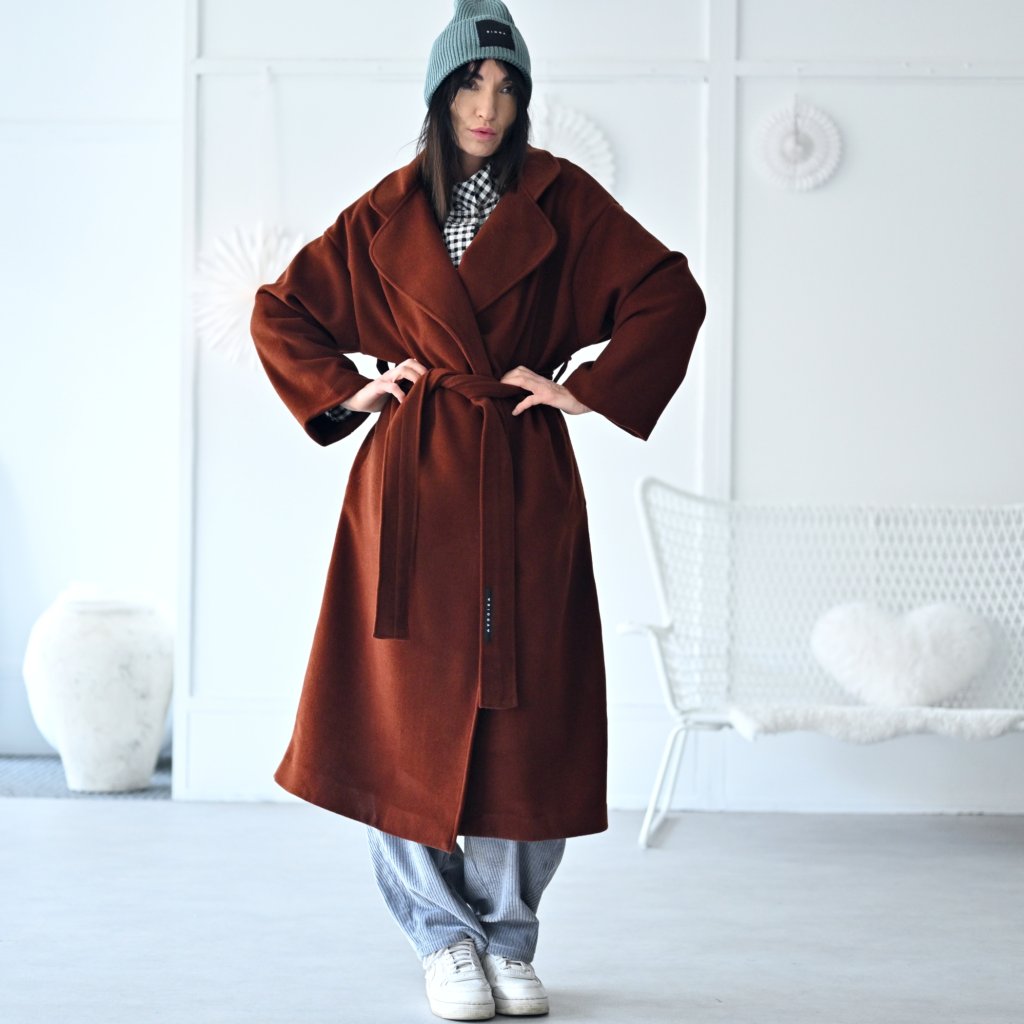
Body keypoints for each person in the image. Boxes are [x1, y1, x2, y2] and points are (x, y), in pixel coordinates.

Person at [250, 1, 707, 1019]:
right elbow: (280, 308)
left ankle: (508, 936)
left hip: (520, 475)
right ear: (438, 92)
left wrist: (584, 390)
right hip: (410, 485)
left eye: (506, 87)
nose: (487, 106)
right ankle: (443, 938)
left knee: (526, 714)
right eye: (469, 84)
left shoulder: (562, 198)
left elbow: (669, 293)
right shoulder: (386, 211)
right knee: (400, 717)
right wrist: (353, 389)